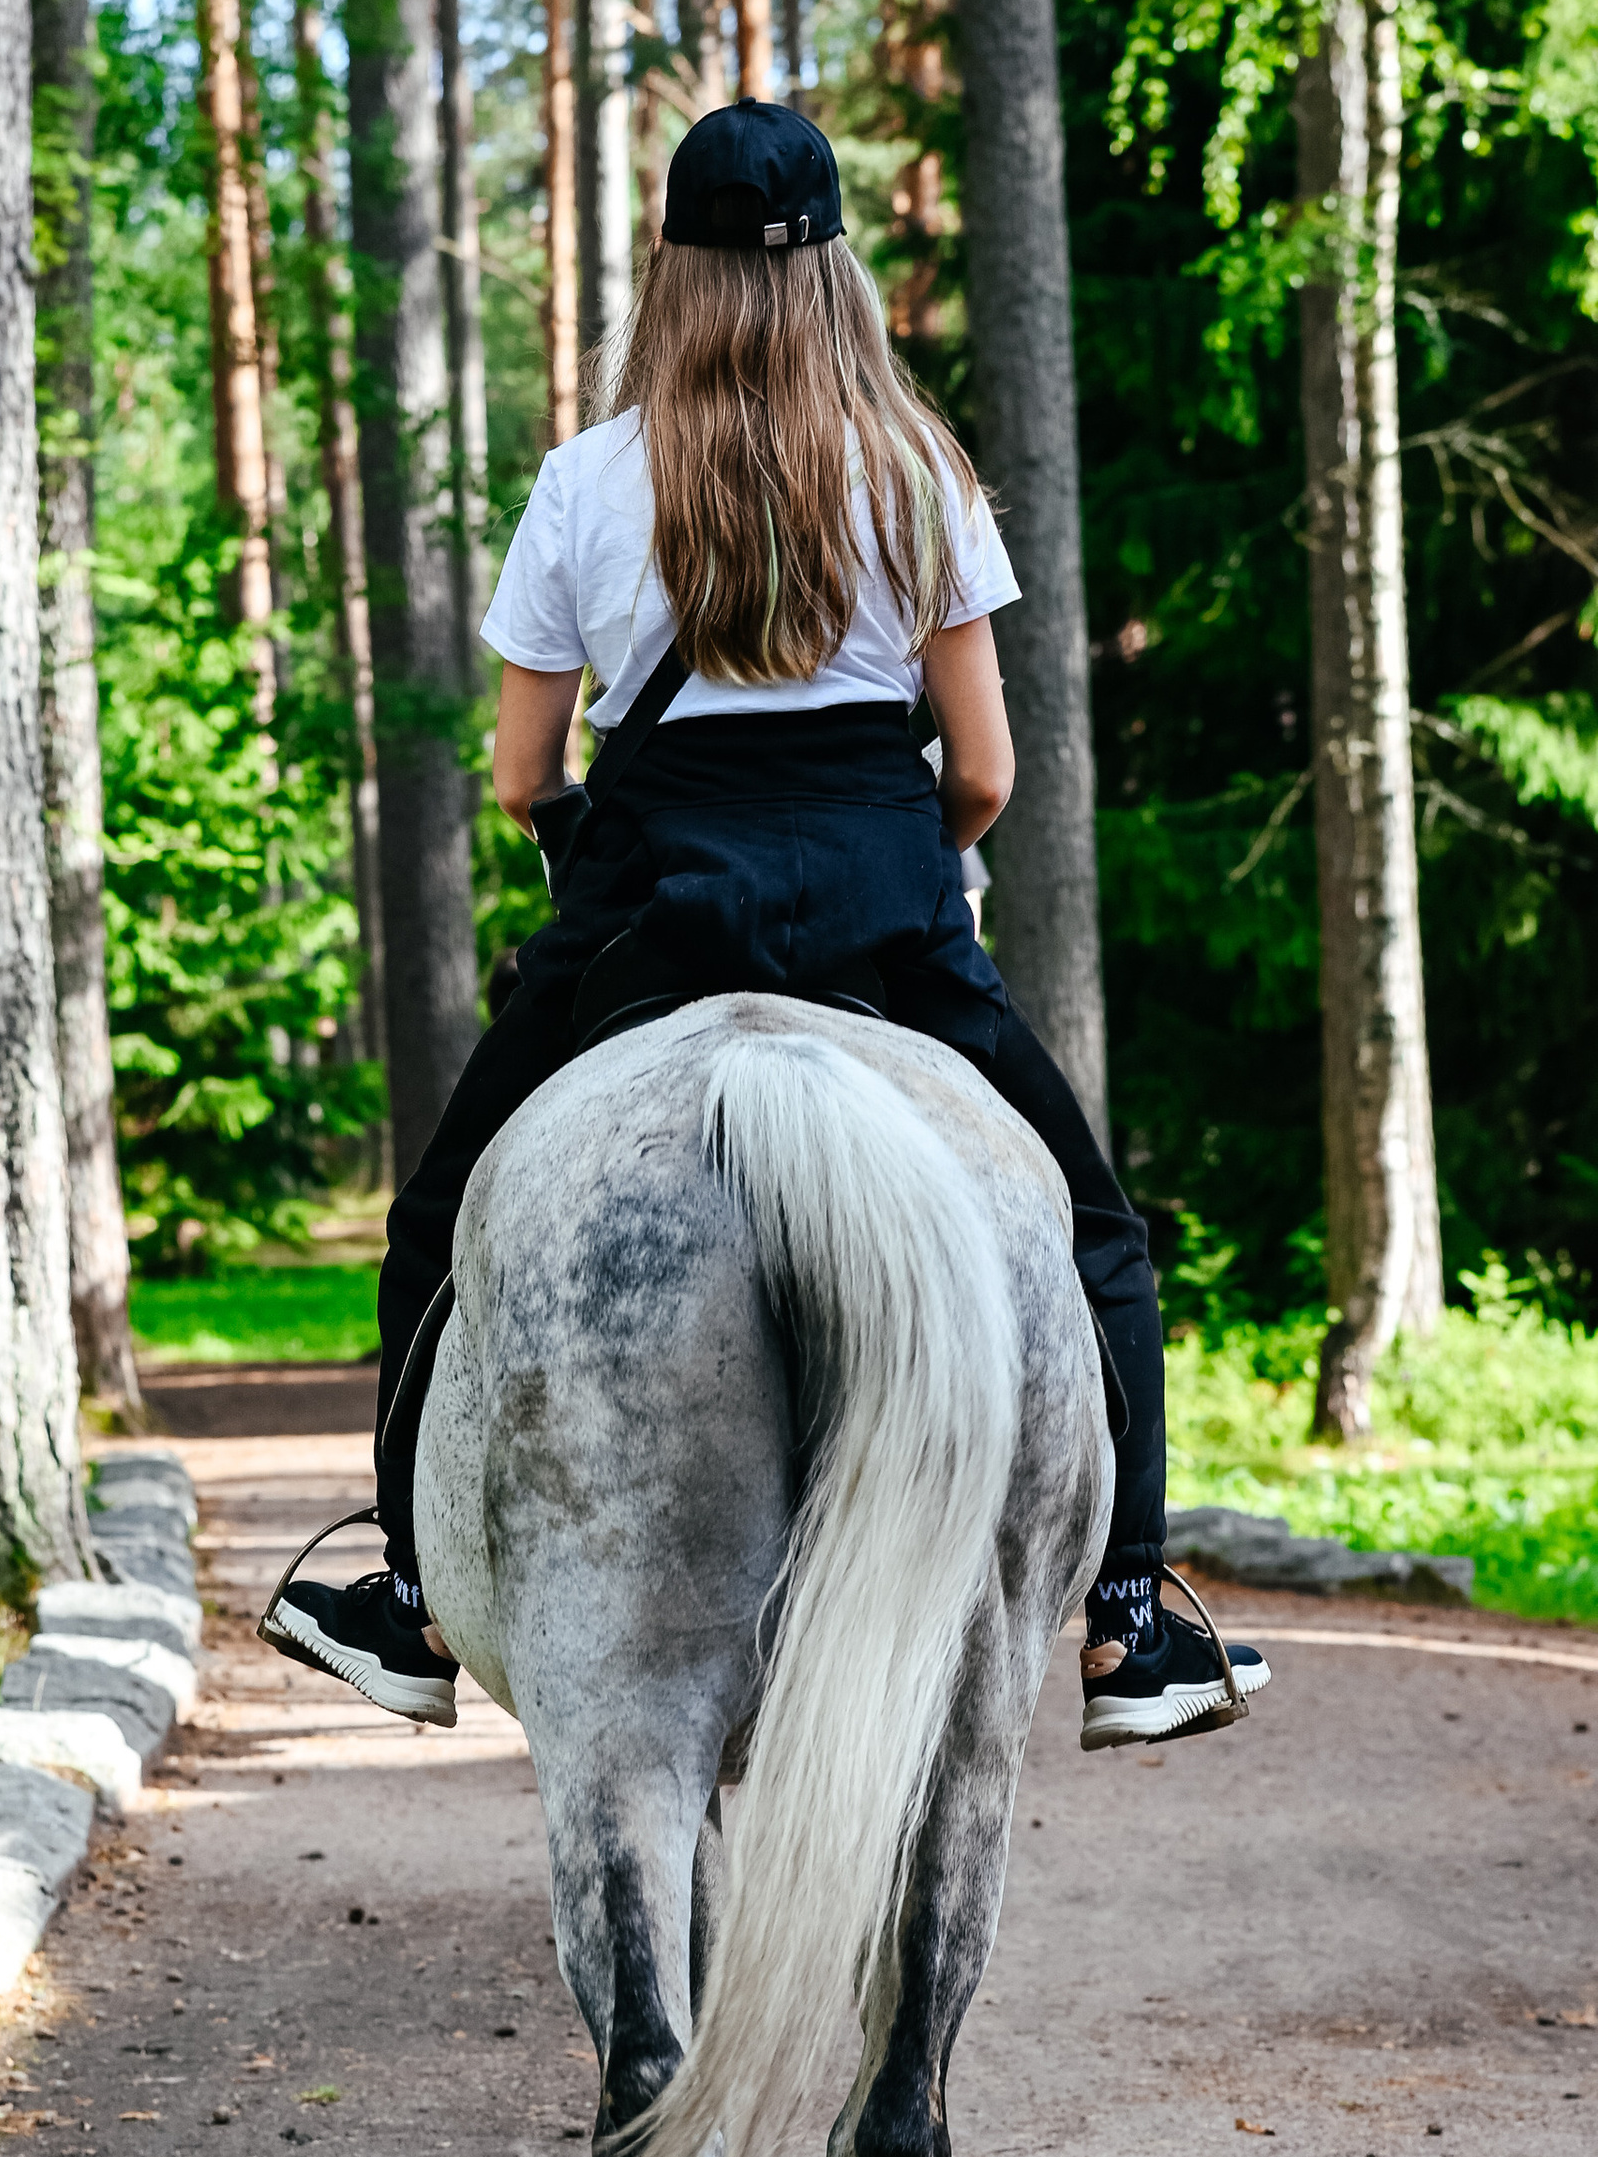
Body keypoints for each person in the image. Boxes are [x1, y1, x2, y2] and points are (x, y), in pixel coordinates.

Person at [265, 101, 1267, 1759]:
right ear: (837, 273)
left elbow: (526, 766)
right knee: (1097, 1234)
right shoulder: (919, 473)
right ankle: (1131, 1621)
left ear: (671, 269)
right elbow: (991, 771)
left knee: (435, 1223)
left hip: (650, 913)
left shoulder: (588, 479)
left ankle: (412, 1601)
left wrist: (604, 871)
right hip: (885, 915)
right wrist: (895, 863)